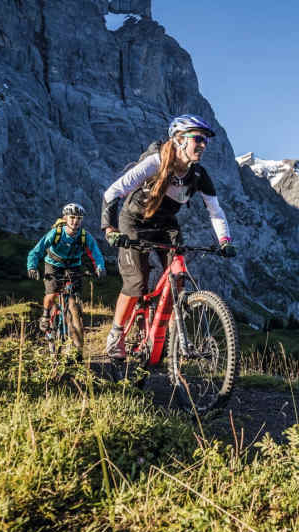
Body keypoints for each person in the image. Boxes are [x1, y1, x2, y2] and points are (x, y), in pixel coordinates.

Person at [101, 114, 237, 359]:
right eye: (198, 139)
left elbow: (215, 211)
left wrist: (224, 241)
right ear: (179, 140)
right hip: (134, 222)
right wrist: (110, 230)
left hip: (165, 225)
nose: (203, 145)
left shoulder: (198, 175)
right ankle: (116, 334)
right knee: (137, 282)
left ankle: (170, 332)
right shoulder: (155, 162)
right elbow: (113, 192)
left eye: (205, 140)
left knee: (178, 274)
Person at [26, 202, 106, 339]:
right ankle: (45, 315)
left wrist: (100, 267)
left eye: (79, 218)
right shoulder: (56, 233)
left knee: (75, 296)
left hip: (73, 265)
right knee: (52, 294)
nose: (75, 221)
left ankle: (74, 319)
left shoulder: (85, 236)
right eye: (72, 217)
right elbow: (37, 250)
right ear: (65, 218)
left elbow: (96, 253)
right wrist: (31, 266)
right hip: (53, 264)